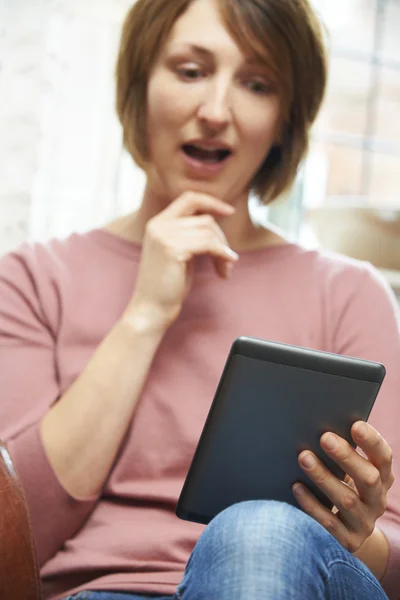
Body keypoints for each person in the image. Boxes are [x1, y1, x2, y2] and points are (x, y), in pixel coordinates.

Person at [0, 0, 399, 598]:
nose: (216, 112)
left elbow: (391, 563)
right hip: (100, 592)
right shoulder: (33, 278)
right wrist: (145, 314)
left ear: (285, 119)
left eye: (256, 84)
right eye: (190, 71)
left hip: (299, 580)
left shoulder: (348, 293)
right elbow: (17, 535)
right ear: (140, 85)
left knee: (257, 530)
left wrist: (355, 529)